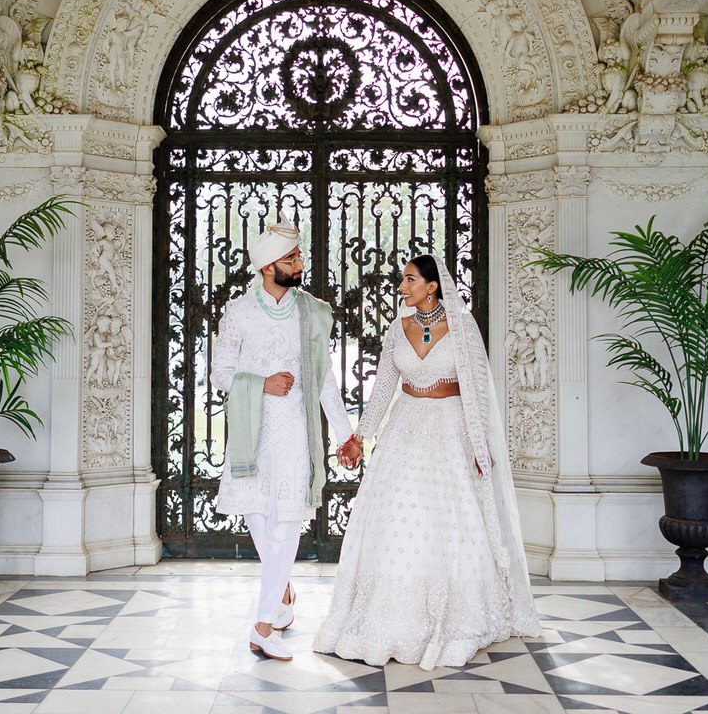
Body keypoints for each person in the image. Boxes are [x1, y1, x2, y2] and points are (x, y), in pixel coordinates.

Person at [314, 254, 539, 668]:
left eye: (410, 279)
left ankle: (458, 615)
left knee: (449, 521)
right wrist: (360, 437)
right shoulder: (397, 329)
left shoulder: (462, 326)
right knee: (399, 517)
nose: (402, 286)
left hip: (451, 431)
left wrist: (480, 445)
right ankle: (391, 616)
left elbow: (475, 389)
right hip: (405, 428)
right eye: (404, 279)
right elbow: (383, 387)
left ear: (432, 286)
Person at [212, 220, 362, 661]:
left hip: (296, 431)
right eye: (291, 259)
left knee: (286, 522)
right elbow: (220, 374)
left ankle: (261, 627)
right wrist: (260, 383)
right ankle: (282, 592)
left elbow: (324, 380)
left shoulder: (310, 311)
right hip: (251, 431)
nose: (300, 264)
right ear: (266, 266)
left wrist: (344, 433)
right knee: (258, 517)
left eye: (298, 257)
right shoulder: (239, 312)